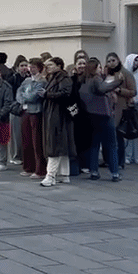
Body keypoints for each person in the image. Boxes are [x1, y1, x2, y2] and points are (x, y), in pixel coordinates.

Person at [80, 58, 123, 182]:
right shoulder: (96, 79)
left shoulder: (84, 79)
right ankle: (115, 173)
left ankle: (94, 171)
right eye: (99, 67)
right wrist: (118, 81)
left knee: (94, 144)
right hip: (104, 114)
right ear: (95, 68)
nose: (101, 69)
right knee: (111, 144)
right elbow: (103, 89)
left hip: (92, 114)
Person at [39, 57, 75, 187]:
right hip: (54, 113)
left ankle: (51, 175)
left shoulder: (63, 78)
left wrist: (47, 95)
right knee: (61, 144)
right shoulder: (54, 78)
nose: (48, 67)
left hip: (59, 115)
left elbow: (65, 94)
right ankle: (64, 174)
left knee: (55, 144)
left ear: (59, 65)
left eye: (51, 65)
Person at [104, 52, 136, 169]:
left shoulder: (125, 73)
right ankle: (109, 160)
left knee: (118, 136)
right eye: (109, 61)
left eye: (113, 60)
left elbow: (133, 91)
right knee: (108, 136)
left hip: (120, 108)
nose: (111, 63)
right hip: (107, 108)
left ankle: (120, 161)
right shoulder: (105, 74)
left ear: (118, 60)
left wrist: (119, 90)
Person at [16, 58, 46, 179]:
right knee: (26, 140)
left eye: (34, 67)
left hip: (35, 112)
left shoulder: (42, 81)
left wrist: (25, 97)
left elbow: (34, 96)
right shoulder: (27, 80)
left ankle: (39, 169)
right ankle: (28, 167)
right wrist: (22, 99)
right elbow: (19, 92)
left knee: (36, 141)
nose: (31, 69)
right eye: (30, 66)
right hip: (25, 111)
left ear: (39, 68)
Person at [70, 56, 91, 174]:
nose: (82, 66)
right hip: (76, 114)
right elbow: (70, 98)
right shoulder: (71, 80)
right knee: (76, 139)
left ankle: (86, 164)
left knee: (86, 140)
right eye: (79, 64)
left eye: (84, 63)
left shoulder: (89, 79)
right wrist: (73, 112)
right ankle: (77, 164)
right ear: (75, 66)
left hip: (88, 113)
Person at [7, 56, 29, 164]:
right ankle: (15, 155)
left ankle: (24, 155)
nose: (24, 68)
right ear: (17, 67)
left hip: (27, 108)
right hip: (16, 108)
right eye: (22, 66)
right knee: (15, 134)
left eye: (26, 65)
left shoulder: (30, 78)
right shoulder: (13, 78)